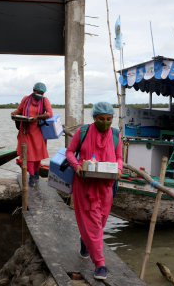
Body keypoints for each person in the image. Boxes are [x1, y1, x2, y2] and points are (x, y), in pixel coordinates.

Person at [65, 102, 123, 280]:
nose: (105, 122)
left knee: (101, 222)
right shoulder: (83, 132)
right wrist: (76, 166)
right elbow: (69, 152)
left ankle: (85, 242)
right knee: (94, 225)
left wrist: (119, 169)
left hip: (106, 187)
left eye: (109, 119)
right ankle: (100, 264)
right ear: (94, 118)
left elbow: (119, 156)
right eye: (101, 119)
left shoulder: (115, 134)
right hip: (85, 185)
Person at [11, 82, 53, 187]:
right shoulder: (26, 99)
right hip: (25, 130)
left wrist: (38, 117)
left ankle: (37, 172)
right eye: (38, 92)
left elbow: (49, 113)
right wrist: (14, 113)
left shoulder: (45, 100)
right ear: (33, 90)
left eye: (42, 93)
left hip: (38, 129)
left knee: (37, 153)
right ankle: (31, 176)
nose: (40, 94)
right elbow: (20, 109)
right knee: (28, 153)